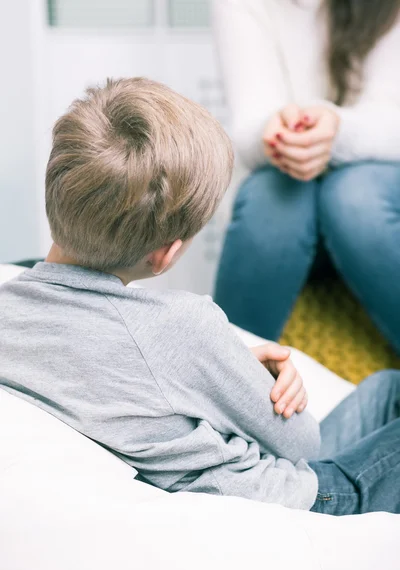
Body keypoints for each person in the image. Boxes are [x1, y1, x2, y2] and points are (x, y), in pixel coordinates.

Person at [0, 78, 399, 515]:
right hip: (307, 499)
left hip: (211, 465)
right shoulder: (180, 326)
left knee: (387, 388)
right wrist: (266, 383)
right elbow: (301, 443)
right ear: (165, 254)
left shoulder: (10, 307)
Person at [213, 0, 400, 352]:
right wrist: (278, 136)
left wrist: (337, 132)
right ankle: (226, 378)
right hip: (291, 209)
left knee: (354, 195)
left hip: (374, 207)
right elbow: (250, 123)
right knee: (274, 200)